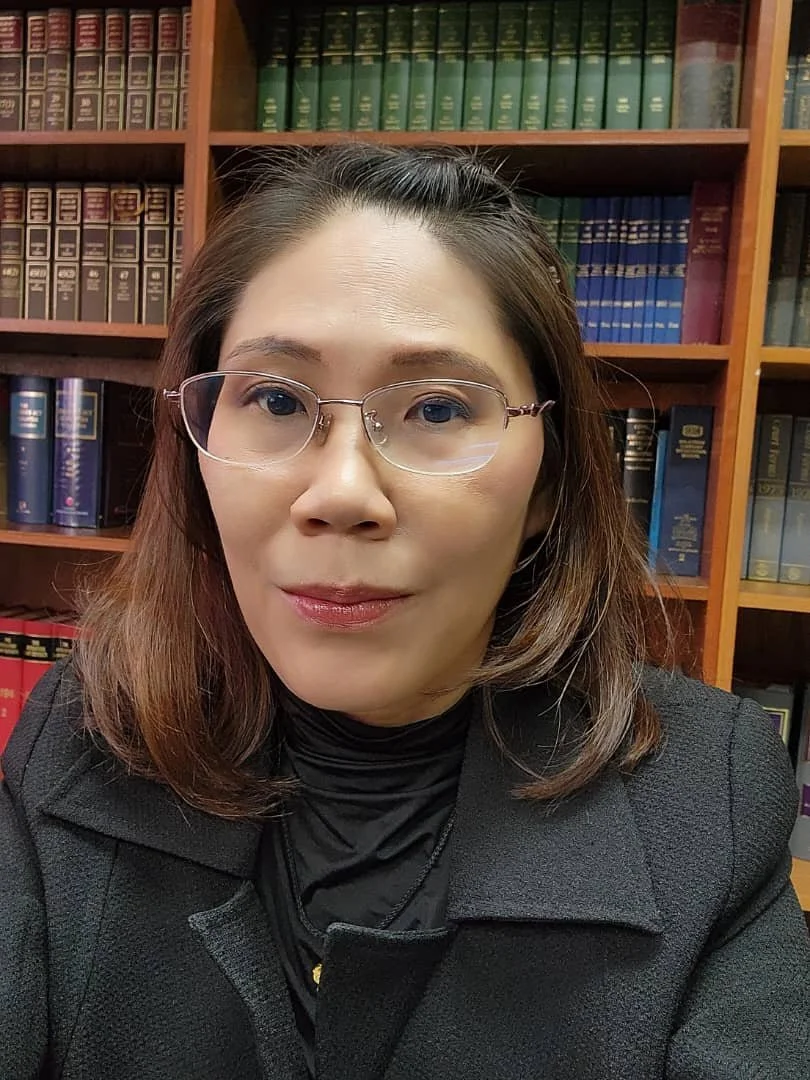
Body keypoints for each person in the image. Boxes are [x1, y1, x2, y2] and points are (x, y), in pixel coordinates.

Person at [2, 143, 808, 1080]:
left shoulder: (710, 794)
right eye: (272, 396)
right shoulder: (79, 734)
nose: (342, 493)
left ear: (547, 480)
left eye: (434, 409)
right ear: (197, 447)